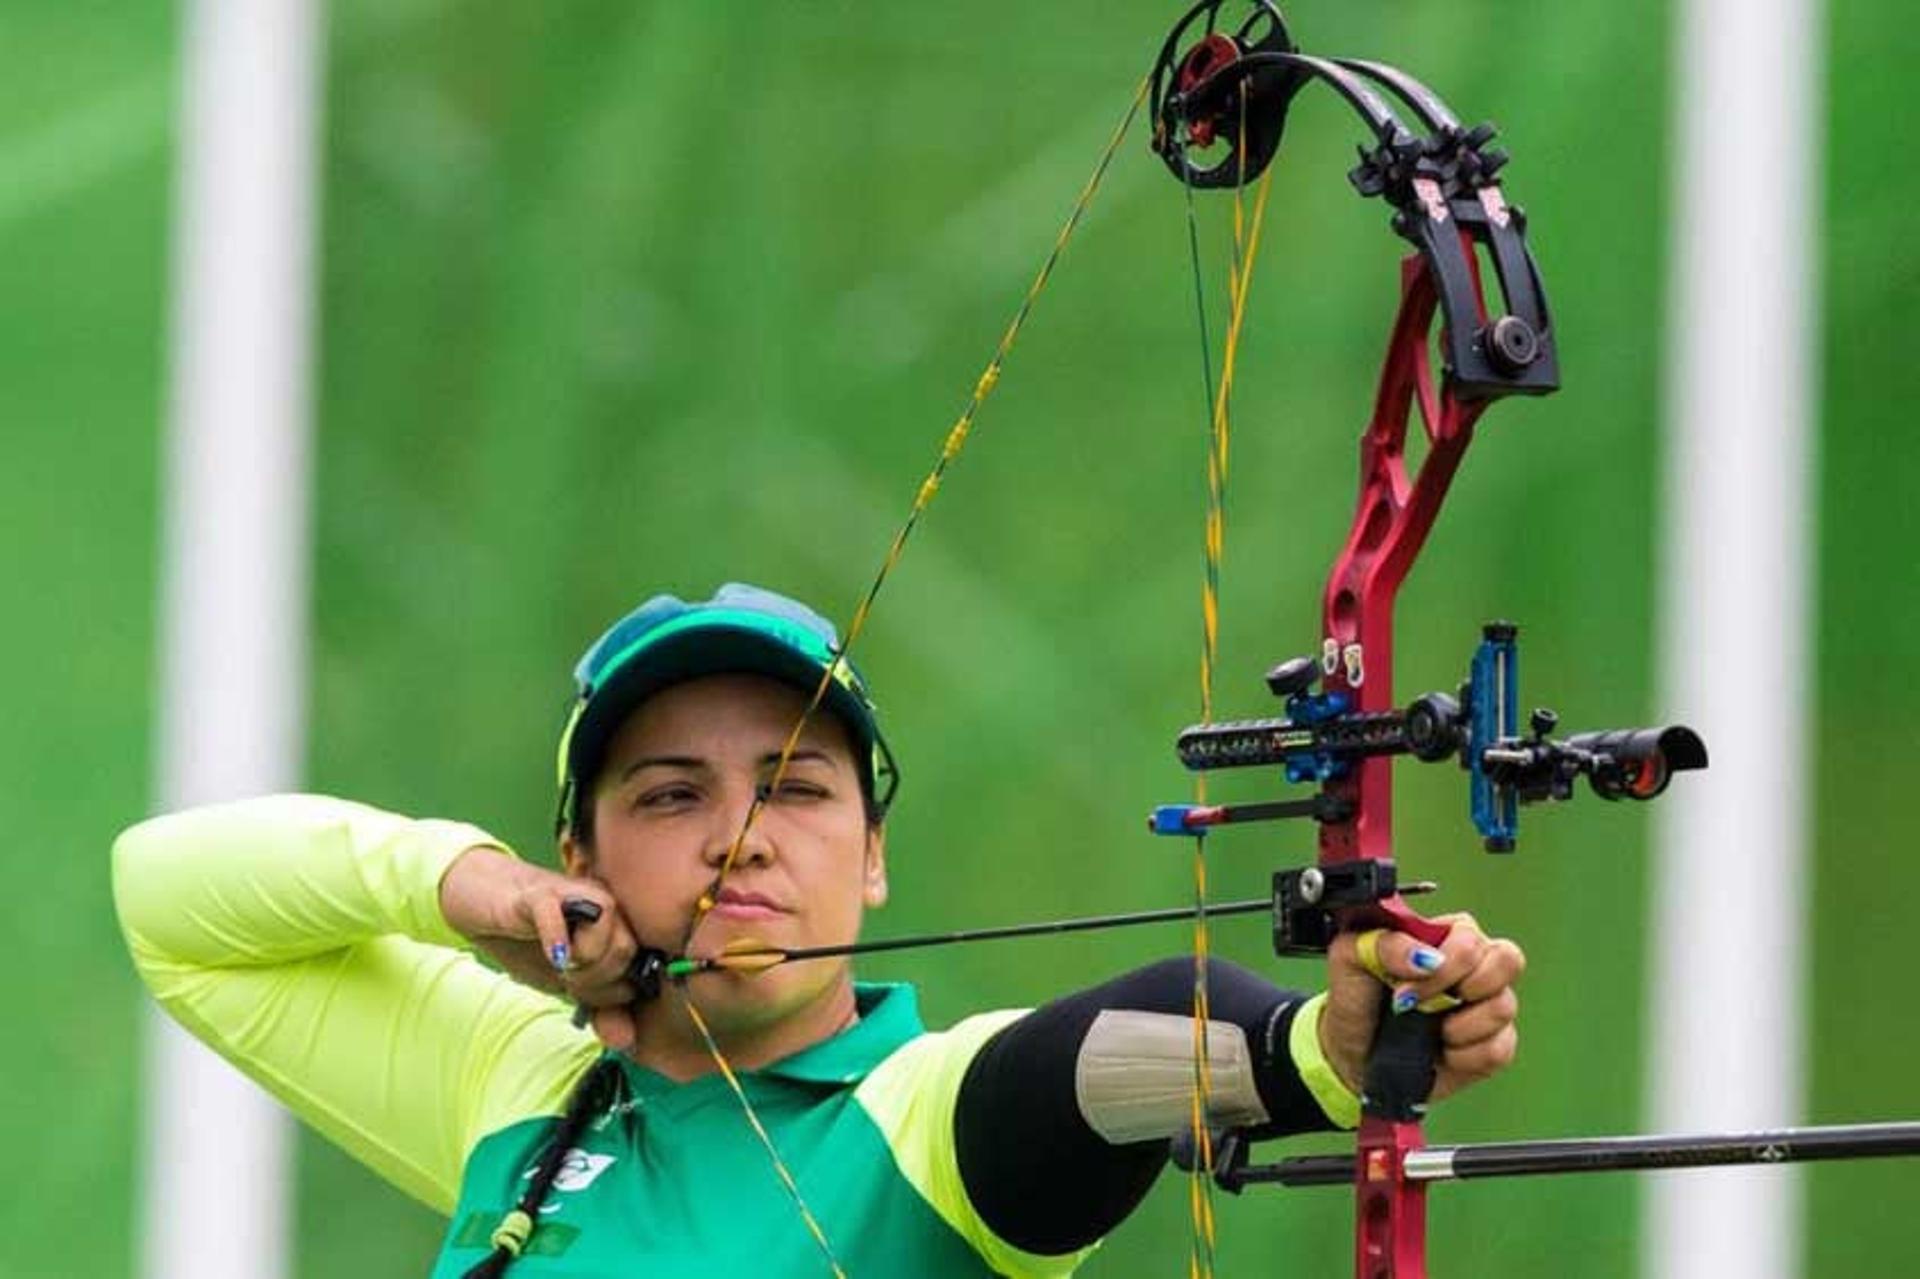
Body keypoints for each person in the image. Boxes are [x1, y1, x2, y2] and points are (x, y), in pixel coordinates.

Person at [114, 582, 1524, 1277]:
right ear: (581, 857)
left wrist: (1322, 1054)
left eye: (795, 787)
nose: (739, 835)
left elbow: (1115, 1060)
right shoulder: (522, 1088)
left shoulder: (923, 1117)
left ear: (874, 857)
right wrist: (465, 886)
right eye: (671, 796)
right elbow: (170, 901)